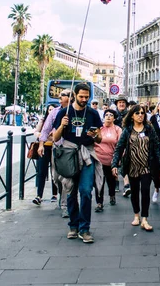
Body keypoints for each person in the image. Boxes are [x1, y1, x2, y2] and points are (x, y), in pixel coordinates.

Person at [53, 83, 103, 244]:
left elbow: (99, 138)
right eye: (81, 96)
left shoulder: (93, 113)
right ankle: (73, 226)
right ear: (75, 95)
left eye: (86, 97)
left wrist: (95, 135)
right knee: (70, 190)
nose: (84, 100)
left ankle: (85, 228)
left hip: (87, 154)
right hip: (69, 154)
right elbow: (55, 137)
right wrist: (62, 125)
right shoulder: (64, 112)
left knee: (86, 190)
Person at [111, 104, 160, 232]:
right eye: (137, 113)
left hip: (146, 166)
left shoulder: (149, 129)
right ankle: (136, 215)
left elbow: (156, 148)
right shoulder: (128, 131)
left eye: (142, 113)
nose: (140, 115)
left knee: (145, 191)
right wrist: (114, 164)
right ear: (132, 116)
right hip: (132, 167)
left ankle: (145, 219)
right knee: (134, 192)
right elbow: (119, 148)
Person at [38, 89, 72, 218]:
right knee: (56, 177)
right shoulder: (55, 112)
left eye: (62, 95)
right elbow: (46, 129)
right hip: (57, 149)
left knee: (66, 179)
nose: (59, 96)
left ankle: (65, 205)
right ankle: (61, 195)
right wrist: (41, 145)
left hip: (69, 149)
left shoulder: (74, 111)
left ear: (70, 97)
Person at [94, 109, 123, 211]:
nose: (108, 117)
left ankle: (112, 195)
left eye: (111, 115)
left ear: (114, 118)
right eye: (106, 115)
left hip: (111, 160)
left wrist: (118, 159)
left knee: (111, 181)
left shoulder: (117, 129)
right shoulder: (99, 128)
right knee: (99, 182)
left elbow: (120, 145)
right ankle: (99, 203)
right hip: (98, 159)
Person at [33, 104, 58, 205]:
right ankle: (39, 196)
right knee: (41, 172)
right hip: (43, 147)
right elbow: (36, 132)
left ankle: (55, 194)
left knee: (54, 172)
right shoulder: (43, 121)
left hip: (54, 147)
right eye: (49, 110)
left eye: (53, 110)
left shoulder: (57, 121)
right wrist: (41, 135)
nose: (51, 111)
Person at [114, 95, 132, 198]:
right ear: (116, 104)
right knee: (115, 162)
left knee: (125, 162)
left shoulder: (129, 115)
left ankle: (126, 185)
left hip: (125, 141)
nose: (121, 104)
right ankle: (116, 182)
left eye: (123, 102)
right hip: (113, 141)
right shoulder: (113, 114)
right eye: (119, 102)